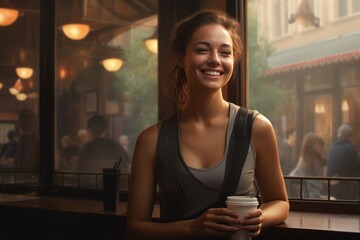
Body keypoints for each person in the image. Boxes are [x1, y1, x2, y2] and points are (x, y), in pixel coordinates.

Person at [127, 10, 289, 240]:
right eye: (202, 50)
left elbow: (280, 202)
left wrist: (261, 217)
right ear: (181, 58)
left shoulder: (257, 128)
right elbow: (135, 228)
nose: (215, 59)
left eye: (225, 52)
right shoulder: (151, 140)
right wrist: (192, 228)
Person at [327, 124, 360, 200]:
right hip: (347, 189)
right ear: (350, 136)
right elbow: (357, 167)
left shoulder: (332, 148)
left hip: (332, 189)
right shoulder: (349, 148)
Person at [288, 132, 326, 199]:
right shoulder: (309, 160)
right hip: (310, 195)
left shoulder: (307, 158)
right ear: (311, 145)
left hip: (311, 193)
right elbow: (317, 180)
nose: (319, 147)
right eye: (317, 144)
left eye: (320, 144)